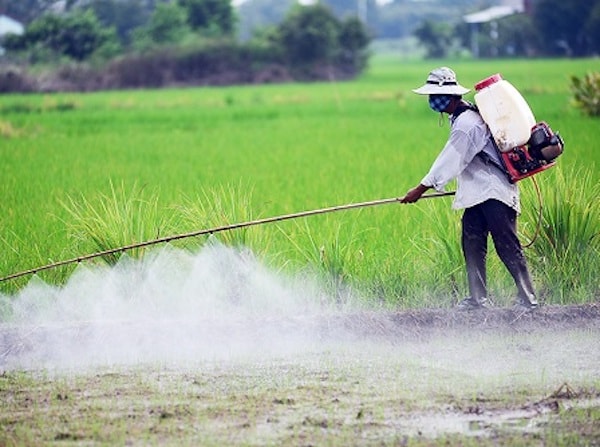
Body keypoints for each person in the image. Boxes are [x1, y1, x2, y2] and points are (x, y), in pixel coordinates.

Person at [399, 67, 538, 310]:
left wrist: (420, 189)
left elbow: (451, 159)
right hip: (478, 195)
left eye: (435, 95)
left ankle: (529, 298)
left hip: (494, 194)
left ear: (451, 96)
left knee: (506, 245)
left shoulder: (467, 124)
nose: (432, 101)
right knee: (472, 242)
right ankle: (478, 298)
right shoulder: (463, 118)